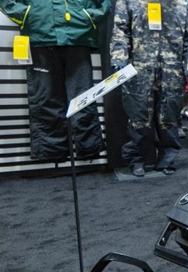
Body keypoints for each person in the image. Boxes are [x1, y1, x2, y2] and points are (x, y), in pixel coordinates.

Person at [0, 0, 108, 163]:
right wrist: (27, 15)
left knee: (82, 99)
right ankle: (50, 152)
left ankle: (89, 149)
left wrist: (89, 17)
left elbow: (105, 3)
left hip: (77, 37)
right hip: (41, 35)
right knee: (46, 98)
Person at [111, 0, 188, 176]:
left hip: (172, 71)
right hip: (139, 71)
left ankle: (167, 160)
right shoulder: (129, 2)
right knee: (139, 118)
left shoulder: (182, 4)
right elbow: (120, 30)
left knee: (169, 118)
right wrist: (119, 59)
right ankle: (136, 160)